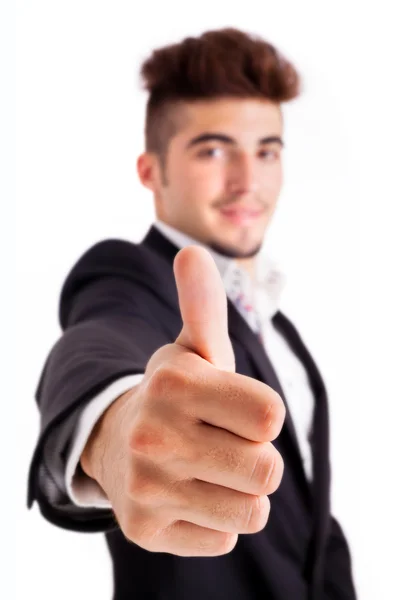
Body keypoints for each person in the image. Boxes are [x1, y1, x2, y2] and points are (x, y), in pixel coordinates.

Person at [27, 27, 357, 600]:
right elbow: (99, 340)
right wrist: (114, 429)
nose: (247, 181)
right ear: (152, 172)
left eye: (266, 151)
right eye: (212, 149)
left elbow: (310, 527)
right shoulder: (130, 276)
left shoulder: (282, 334)